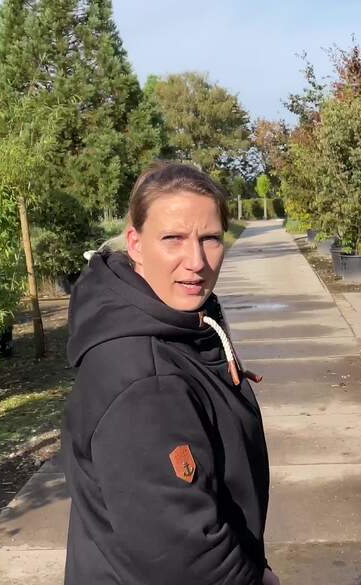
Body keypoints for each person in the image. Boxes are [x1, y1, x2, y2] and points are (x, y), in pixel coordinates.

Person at [62, 162, 279, 585]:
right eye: (173, 239)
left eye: (210, 239)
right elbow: (185, 558)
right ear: (136, 244)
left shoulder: (180, 323)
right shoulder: (145, 381)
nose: (196, 261)